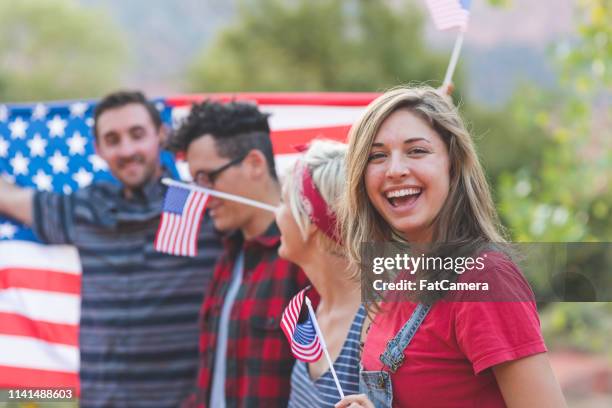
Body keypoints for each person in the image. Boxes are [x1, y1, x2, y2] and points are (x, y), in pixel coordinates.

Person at [335, 86, 566, 407]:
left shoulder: (484, 278)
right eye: (377, 156)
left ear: (453, 164)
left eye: (417, 151)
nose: (396, 169)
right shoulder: (405, 273)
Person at [0, 90, 222, 408]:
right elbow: (9, 198)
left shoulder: (199, 207)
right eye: (113, 139)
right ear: (99, 149)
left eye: (137, 134)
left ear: (162, 134)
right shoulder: (89, 207)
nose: (127, 149)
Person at [172, 100, 310, 407]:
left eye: (209, 178)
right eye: (196, 181)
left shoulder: (306, 255)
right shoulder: (228, 254)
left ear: (254, 164)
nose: (201, 194)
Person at [275, 140, 364, 407]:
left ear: (311, 220)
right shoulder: (315, 306)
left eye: (282, 201)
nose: (276, 214)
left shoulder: (373, 323)